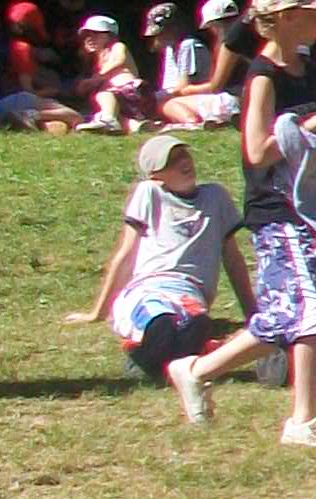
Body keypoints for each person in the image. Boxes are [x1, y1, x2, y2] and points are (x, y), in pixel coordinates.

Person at [169, 0, 316, 450]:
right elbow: (258, 151)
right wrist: (305, 129)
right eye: (311, 13)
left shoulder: (313, 69)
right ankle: (305, 420)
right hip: (277, 212)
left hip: (315, 208)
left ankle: (196, 370)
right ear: (283, 18)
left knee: (286, 316)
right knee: (314, 309)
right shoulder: (263, 76)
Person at [82, 133, 247, 383]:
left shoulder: (216, 196)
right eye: (172, 161)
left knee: (196, 323)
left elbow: (233, 260)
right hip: (148, 287)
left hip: (190, 292)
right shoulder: (149, 193)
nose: (184, 162)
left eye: (184, 154)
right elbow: (126, 254)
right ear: (155, 176)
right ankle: (150, 356)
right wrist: (98, 312)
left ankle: (155, 361)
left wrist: (253, 314)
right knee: (160, 321)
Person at [0, 1, 85, 131]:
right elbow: (27, 90)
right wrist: (53, 91)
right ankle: (29, 115)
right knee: (75, 117)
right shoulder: (22, 49)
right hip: (16, 100)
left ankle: (24, 120)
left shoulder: (1, 45)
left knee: (56, 121)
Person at [73, 14, 148, 133]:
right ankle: (137, 126)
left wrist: (98, 77)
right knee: (115, 115)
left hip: (131, 91)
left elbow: (119, 60)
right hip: (118, 101)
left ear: (110, 36)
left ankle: (108, 119)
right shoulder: (96, 61)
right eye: (87, 36)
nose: (90, 38)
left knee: (103, 94)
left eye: (95, 34)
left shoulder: (117, 47)